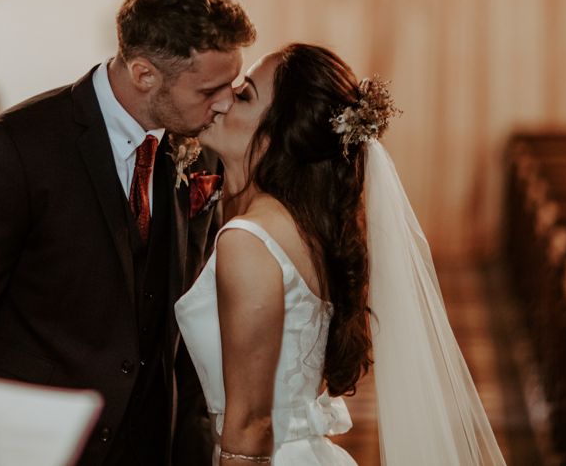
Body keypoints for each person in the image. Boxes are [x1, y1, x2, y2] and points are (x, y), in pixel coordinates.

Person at [0, 0, 256, 466]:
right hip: (38, 447)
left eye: (232, 86)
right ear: (144, 74)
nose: (224, 104)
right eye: (208, 90)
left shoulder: (199, 153)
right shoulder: (11, 150)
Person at [175, 43, 507, 465]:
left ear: (282, 132)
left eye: (243, 96)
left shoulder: (250, 239)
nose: (221, 101)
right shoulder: (308, 225)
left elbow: (253, 420)